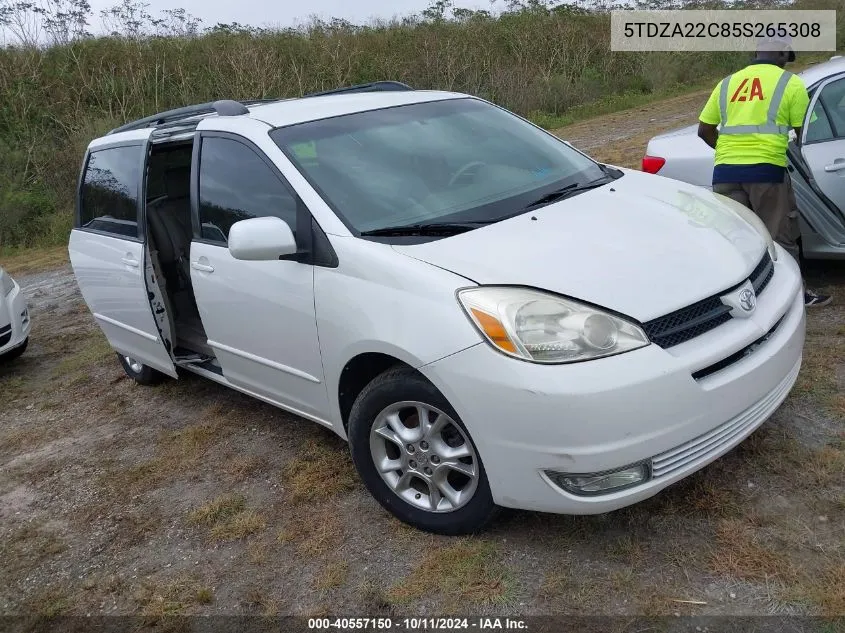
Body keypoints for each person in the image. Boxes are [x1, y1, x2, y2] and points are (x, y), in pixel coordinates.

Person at [697, 35, 832, 308]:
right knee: (780, 237)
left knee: (739, 240)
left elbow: (704, 130)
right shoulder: (790, 83)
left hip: (725, 172)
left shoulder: (726, 84)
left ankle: (748, 301)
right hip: (766, 170)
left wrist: (731, 153)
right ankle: (795, 298)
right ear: (782, 57)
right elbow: (805, 130)